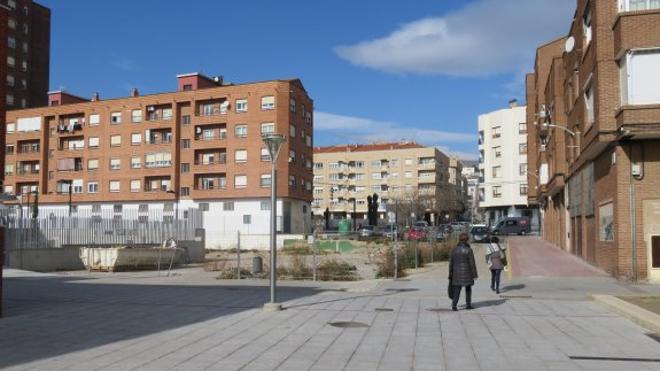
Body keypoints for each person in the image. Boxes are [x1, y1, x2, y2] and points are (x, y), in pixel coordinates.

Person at [448, 233, 478, 311]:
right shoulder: (469, 250)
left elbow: (451, 263)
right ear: (467, 240)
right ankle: (468, 305)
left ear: (459, 239)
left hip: (456, 273)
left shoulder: (454, 250)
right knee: (468, 289)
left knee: (457, 290)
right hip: (467, 272)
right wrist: (474, 274)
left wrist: (450, 273)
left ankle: (454, 305)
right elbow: (472, 263)